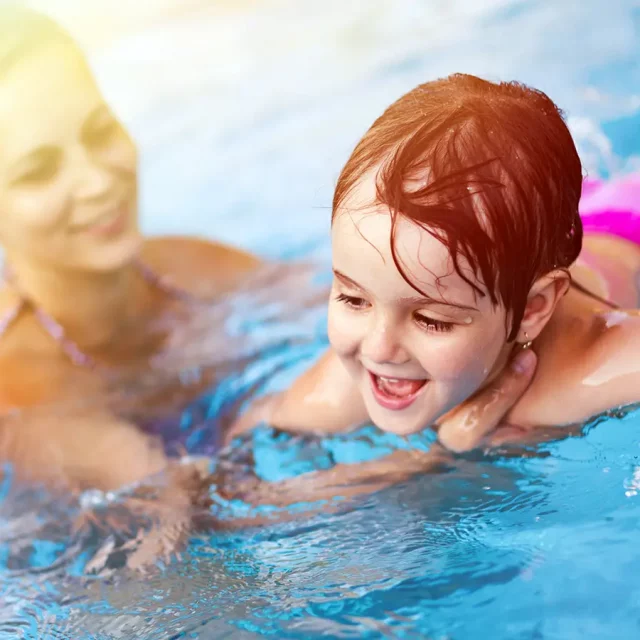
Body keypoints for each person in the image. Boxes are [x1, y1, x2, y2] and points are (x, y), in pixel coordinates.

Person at [231, 73, 640, 459]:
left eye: (431, 320)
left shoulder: (593, 372)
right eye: (354, 299)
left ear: (532, 310)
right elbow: (233, 453)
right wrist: (435, 458)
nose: (378, 348)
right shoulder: (339, 392)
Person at [0, 7, 263, 491]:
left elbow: (368, 311)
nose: (97, 182)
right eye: (38, 170)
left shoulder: (198, 268)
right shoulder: (18, 390)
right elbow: (173, 511)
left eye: (100, 132)